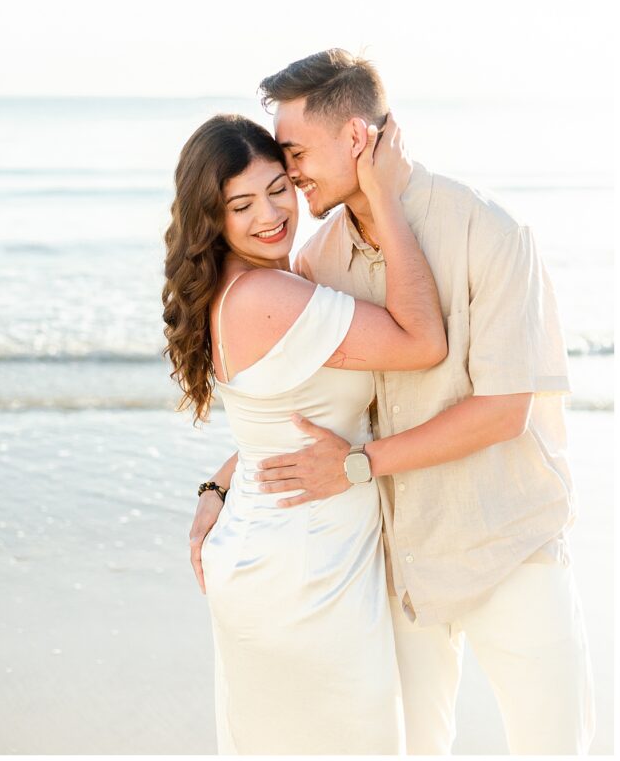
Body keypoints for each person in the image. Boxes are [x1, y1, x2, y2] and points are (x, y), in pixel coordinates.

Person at [191, 49, 596, 756]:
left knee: (553, 747)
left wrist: (356, 466)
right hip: (396, 562)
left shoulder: (490, 234)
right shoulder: (318, 261)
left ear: (357, 139)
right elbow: (306, 407)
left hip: (509, 543)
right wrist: (219, 485)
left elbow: (504, 410)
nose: (288, 178)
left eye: (295, 153)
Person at [163, 112, 447, 754]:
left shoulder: (241, 289)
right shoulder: (268, 295)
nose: (270, 214)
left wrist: (215, 484)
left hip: (281, 550)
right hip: (303, 570)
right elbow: (424, 341)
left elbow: (275, 420)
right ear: (213, 218)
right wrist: (384, 198)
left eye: (276, 188)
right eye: (241, 204)